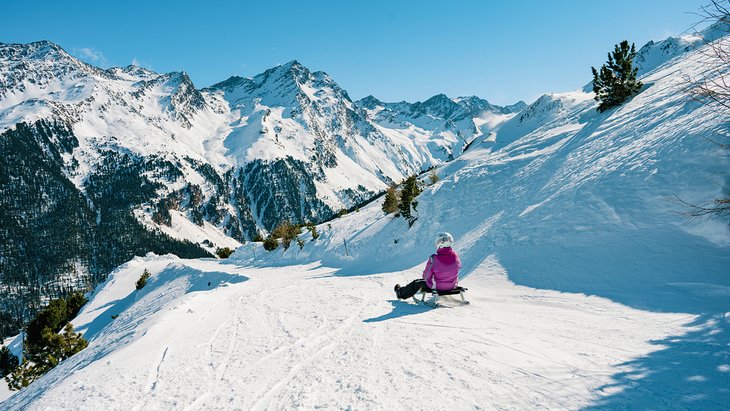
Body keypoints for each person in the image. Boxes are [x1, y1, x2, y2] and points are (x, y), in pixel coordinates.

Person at [394, 232, 461, 300]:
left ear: (439, 244)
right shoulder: (456, 256)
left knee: (416, 282)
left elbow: (426, 277)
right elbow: (457, 269)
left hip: (437, 286)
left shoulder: (434, 258)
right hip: (452, 285)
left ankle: (400, 293)